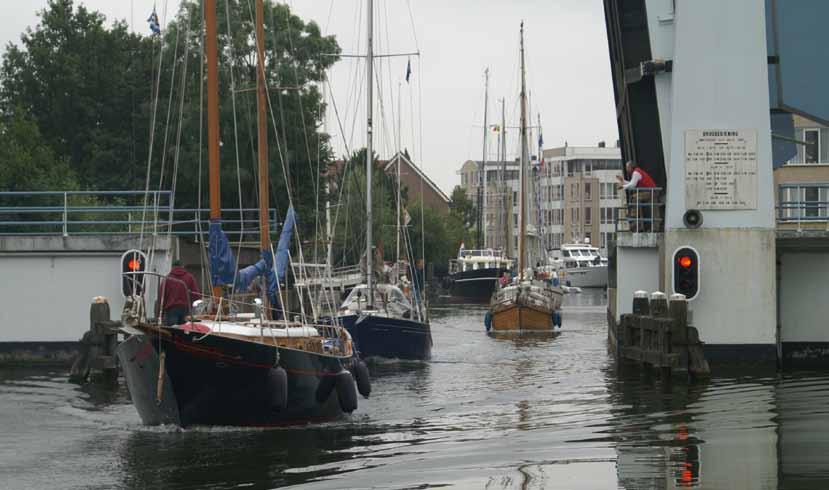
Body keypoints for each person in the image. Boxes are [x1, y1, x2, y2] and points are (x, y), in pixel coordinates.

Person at [616, 160, 659, 231]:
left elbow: (632, 185)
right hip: (651, 191)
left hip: (651, 191)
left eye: (627, 167)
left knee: (635, 197)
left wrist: (623, 186)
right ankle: (648, 226)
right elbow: (632, 183)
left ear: (631, 167)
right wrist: (623, 181)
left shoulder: (636, 172)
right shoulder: (637, 172)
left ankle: (634, 216)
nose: (626, 169)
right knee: (654, 210)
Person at [157, 259, 200, 326]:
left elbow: (161, 297)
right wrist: (192, 307)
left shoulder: (167, 278)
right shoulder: (190, 277)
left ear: (172, 267)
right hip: (186, 309)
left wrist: (160, 314)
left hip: (171, 310)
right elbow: (196, 295)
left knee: (172, 332)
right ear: (182, 266)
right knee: (184, 332)